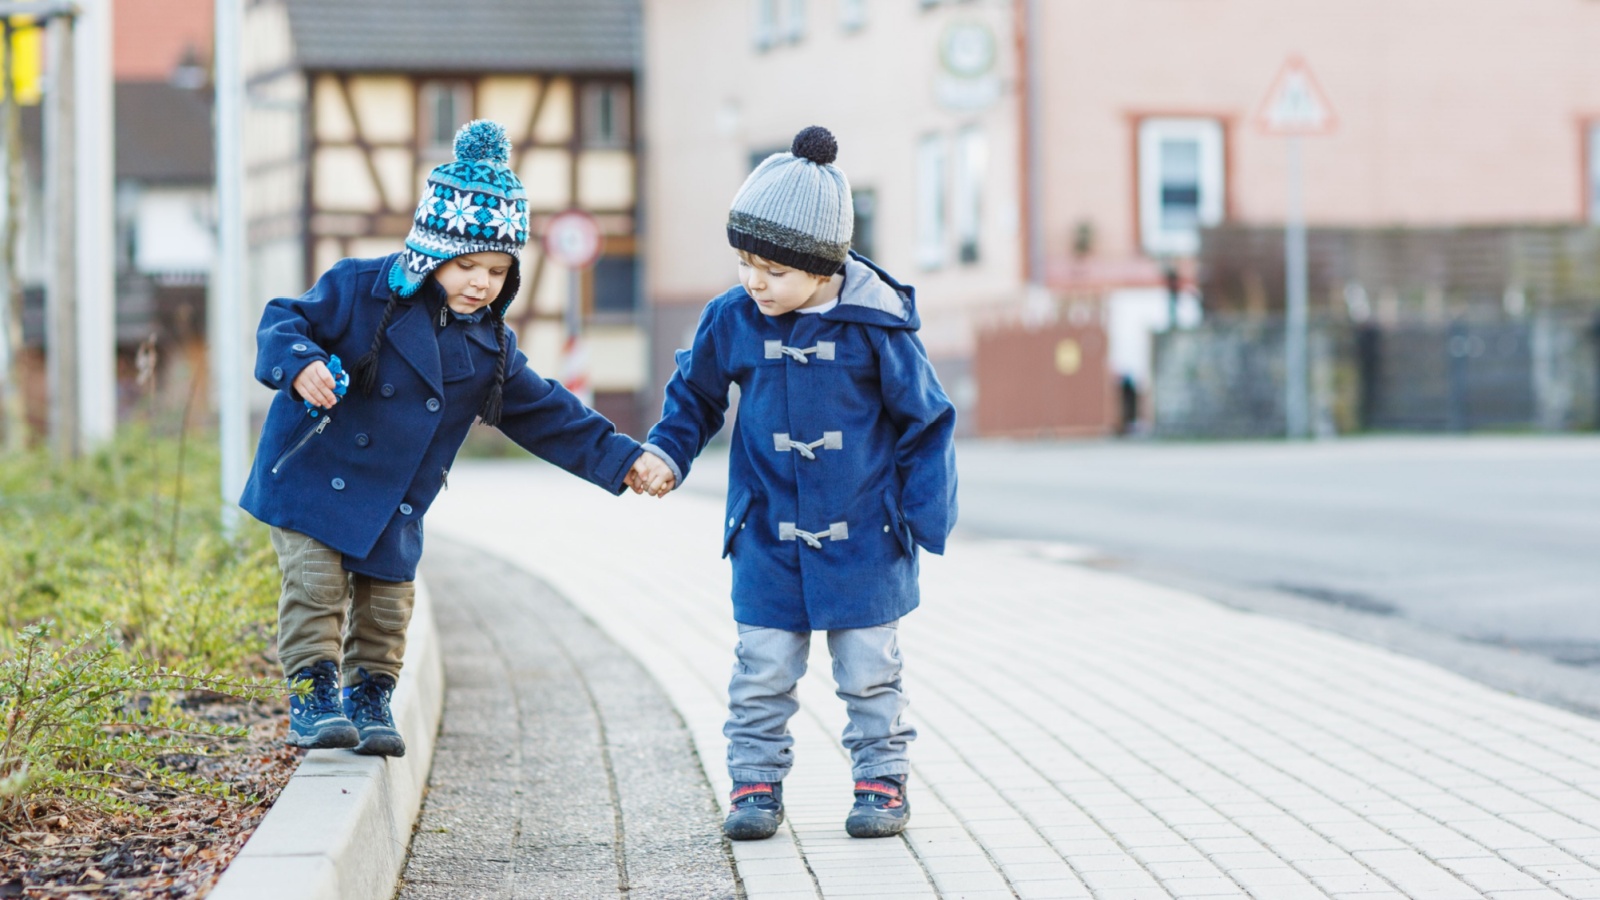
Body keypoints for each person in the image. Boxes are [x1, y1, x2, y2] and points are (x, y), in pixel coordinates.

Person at [241, 120, 672, 757]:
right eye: (466, 264)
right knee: (316, 584)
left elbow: (548, 413)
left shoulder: (490, 347)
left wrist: (625, 459)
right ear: (429, 253)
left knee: (388, 603)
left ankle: (371, 695)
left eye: (498, 271)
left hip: (396, 499)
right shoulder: (362, 289)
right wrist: (301, 363)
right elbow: (285, 319)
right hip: (313, 470)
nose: (481, 283)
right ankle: (312, 692)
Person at [634, 126, 958, 840]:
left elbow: (926, 421)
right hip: (768, 530)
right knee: (762, 669)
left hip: (867, 534)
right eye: (746, 263)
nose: (755, 281)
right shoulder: (734, 317)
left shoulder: (877, 327)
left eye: (773, 271)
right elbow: (694, 397)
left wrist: (920, 516)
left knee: (870, 671)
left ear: (821, 268)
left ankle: (881, 781)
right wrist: (666, 451)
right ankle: (755, 786)